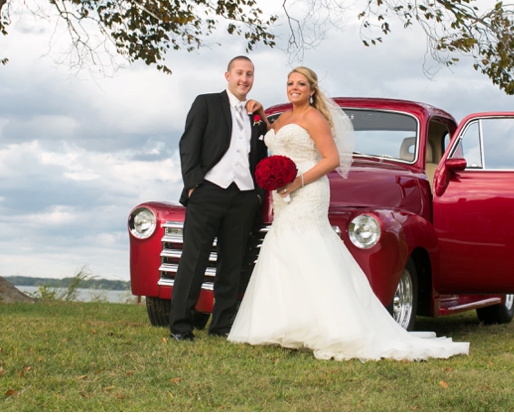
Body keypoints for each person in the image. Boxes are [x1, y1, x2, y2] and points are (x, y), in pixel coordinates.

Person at [228, 66, 469, 361]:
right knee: (283, 251)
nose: (294, 87)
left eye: (301, 84)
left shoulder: (314, 118)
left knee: (310, 250)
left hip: (307, 190)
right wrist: (264, 115)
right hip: (283, 194)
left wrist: (298, 182)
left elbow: (331, 159)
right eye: (290, 83)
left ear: (312, 90)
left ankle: (331, 325)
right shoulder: (284, 117)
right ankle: (285, 324)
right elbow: (274, 138)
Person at [169, 56, 268, 341]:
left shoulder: (256, 115)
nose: (244, 79)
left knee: (232, 263)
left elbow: (261, 157)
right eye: (239, 73)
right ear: (227, 75)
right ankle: (180, 327)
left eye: (249, 74)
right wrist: (193, 185)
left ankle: (222, 325)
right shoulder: (206, 103)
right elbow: (189, 144)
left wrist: (258, 196)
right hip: (208, 191)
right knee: (194, 259)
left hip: (243, 197)